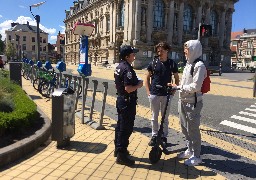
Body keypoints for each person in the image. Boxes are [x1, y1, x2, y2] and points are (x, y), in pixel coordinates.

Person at [172, 40, 207, 166]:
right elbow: (184, 82)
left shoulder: (199, 66)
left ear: (194, 50)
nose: (185, 51)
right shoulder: (188, 64)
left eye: (187, 49)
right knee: (184, 127)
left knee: (193, 129)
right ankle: (190, 149)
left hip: (193, 103)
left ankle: (196, 156)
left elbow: (196, 86)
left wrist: (180, 88)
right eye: (185, 49)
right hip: (183, 100)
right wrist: (177, 86)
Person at [144, 42, 179, 146]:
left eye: (162, 51)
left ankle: (163, 136)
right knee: (154, 116)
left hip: (166, 95)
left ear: (167, 51)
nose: (159, 53)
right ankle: (154, 135)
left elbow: (177, 79)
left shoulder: (172, 63)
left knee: (165, 117)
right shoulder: (153, 63)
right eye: (158, 51)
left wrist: (173, 92)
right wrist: (148, 92)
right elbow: (146, 78)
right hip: (154, 94)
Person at [114, 45, 143, 166]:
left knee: (120, 126)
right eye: (132, 54)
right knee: (126, 128)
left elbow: (118, 85)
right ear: (127, 56)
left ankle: (119, 150)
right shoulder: (127, 69)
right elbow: (128, 88)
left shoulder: (119, 66)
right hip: (127, 101)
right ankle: (121, 155)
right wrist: (138, 85)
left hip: (121, 100)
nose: (134, 56)